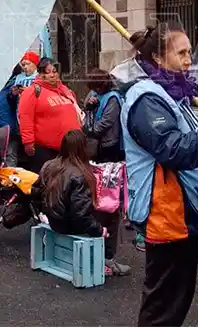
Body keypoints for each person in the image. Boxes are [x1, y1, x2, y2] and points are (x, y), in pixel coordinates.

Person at [113, 23, 198, 326]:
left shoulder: (172, 94)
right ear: (159, 58)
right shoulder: (147, 99)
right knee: (164, 307)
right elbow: (174, 149)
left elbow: (188, 137)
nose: (189, 60)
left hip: (183, 213)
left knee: (176, 299)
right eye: (182, 53)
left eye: (189, 52)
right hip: (166, 215)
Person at [81, 69, 131, 276]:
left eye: (94, 86)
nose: (91, 92)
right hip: (98, 149)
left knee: (109, 197)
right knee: (98, 195)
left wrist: (91, 118)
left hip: (110, 149)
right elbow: (86, 123)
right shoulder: (97, 97)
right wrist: (88, 109)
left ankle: (109, 252)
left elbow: (100, 127)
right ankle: (102, 249)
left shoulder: (112, 100)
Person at [31, 130, 106, 239]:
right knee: (108, 215)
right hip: (70, 226)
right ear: (83, 148)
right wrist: (99, 230)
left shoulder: (49, 165)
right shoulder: (80, 174)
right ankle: (107, 254)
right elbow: (80, 214)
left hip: (53, 221)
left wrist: (45, 212)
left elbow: (35, 192)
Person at [18, 58, 82, 175]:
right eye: (48, 72)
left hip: (70, 149)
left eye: (54, 71)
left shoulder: (65, 90)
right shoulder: (32, 92)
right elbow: (25, 117)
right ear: (41, 74)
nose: (52, 75)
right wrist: (28, 142)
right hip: (45, 150)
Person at [82, 69, 125, 163]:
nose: (94, 90)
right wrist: (89, 106)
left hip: (108, 142)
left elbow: (107, 121)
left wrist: (91, 131)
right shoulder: (94, 93)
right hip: (95, 140)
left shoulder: (112, 98)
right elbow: (85, 107)